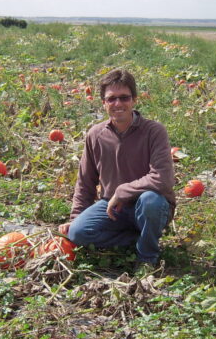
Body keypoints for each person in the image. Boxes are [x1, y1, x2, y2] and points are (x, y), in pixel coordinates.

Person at [60, 68, 176, 266]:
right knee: (77, 233)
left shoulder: (154, 131)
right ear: (103, 102)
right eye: (111, 99)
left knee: (150, 201)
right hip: (112, 207)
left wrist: (123, 191)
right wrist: (75, 217)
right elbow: (85, 181)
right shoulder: (95, 135)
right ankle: (136, 239)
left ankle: (147, 258)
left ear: (134, 100)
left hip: (148, 205)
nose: (118, 104)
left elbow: (163, 179)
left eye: (124, 98)